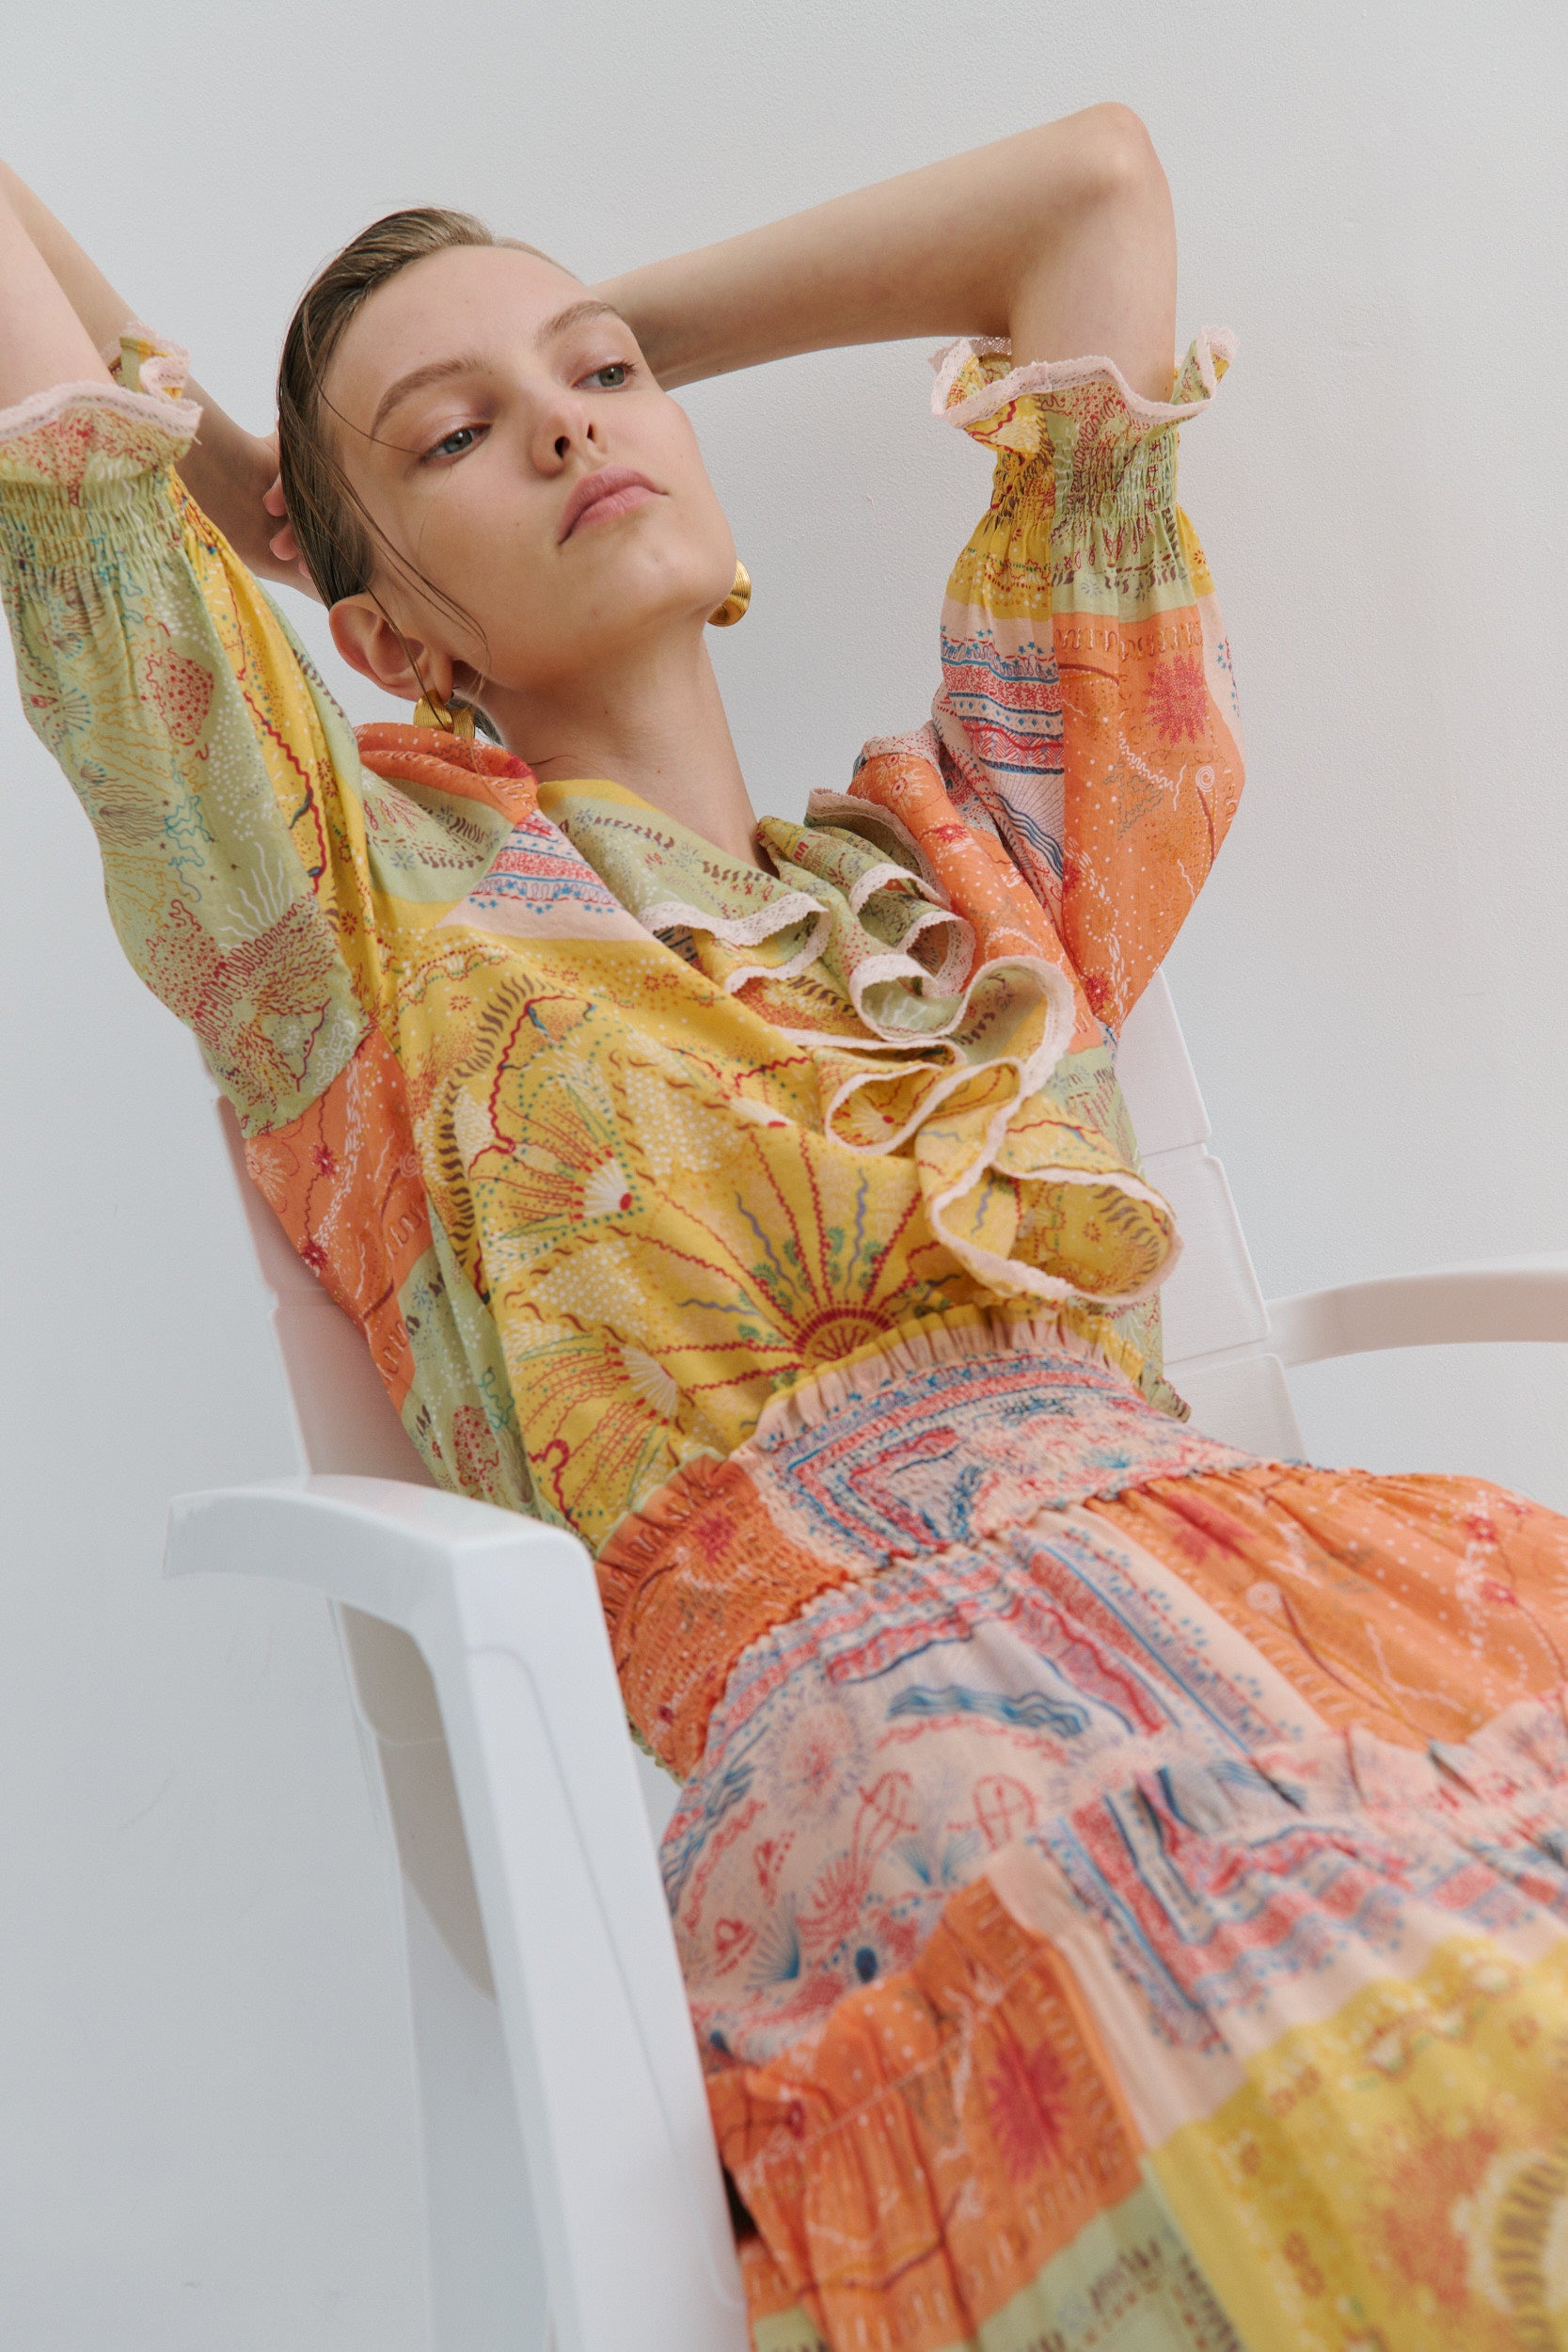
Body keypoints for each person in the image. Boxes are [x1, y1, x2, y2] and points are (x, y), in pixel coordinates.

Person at [3, 110, 1567, 2352]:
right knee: (1403, 2114)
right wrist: (258, 482)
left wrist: (535, 378)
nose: (570, 422)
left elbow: (1091, 196)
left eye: (604, 379)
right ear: (375, 631)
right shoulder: (351, 936)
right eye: (460, 435)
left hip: (1326, 1587)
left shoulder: (979, 857)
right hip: (901, 1737)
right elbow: (67, 445)